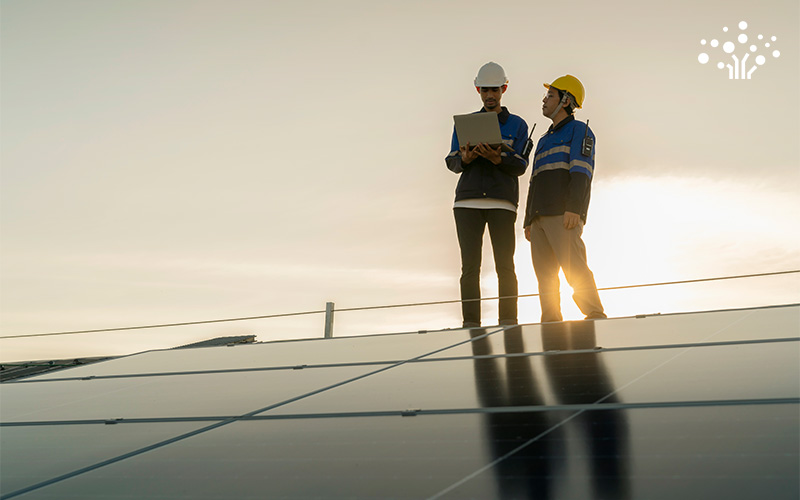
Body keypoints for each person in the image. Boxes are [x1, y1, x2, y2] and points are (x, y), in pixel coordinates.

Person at [446, 62, 529, 327]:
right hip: (467, 202)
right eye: (484, 90)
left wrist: (498, 158)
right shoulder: (465, 124)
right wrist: (466, 158)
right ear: (478, 90)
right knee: (470, 268)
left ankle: (508, 322)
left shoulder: (518, 125)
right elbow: (451, 161)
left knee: (506, 266)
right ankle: (470, 325)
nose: (489, 95)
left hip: (502, 203)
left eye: (494, 90)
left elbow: (521, 165)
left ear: (504, 89)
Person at [523, 75, 606, 322]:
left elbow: (582, 173)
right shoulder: (543, 139)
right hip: (538, 218)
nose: (545, 99)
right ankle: (550, 321)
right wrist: (528, 219)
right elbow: (534, 181)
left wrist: (575, 208)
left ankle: (594, 313)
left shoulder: (580, 131)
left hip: (563, 215)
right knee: (545, 276)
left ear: (566, 100)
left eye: (551, 95)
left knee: (574, 267)